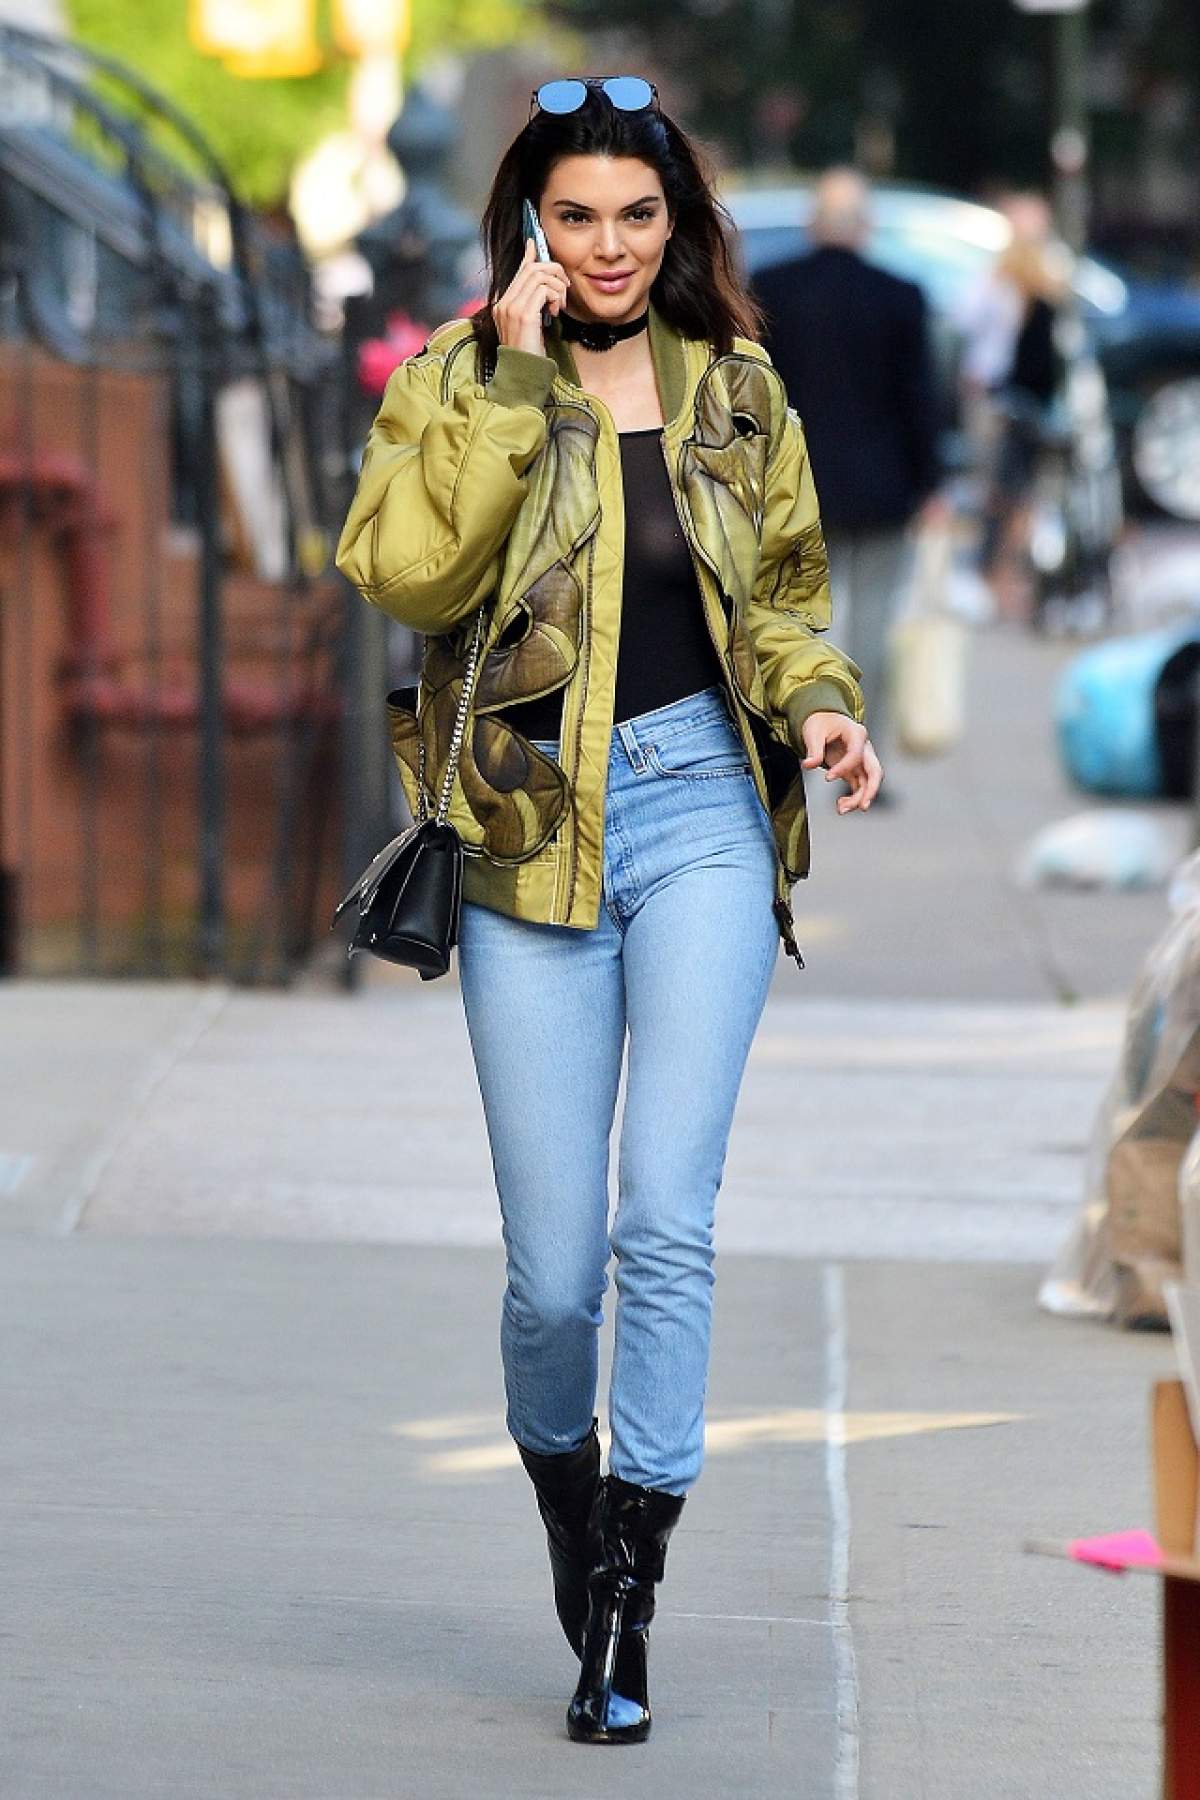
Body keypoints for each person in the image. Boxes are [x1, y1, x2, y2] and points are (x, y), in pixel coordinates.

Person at [336, 77, 881, 1746]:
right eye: (576, 217)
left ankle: (630, 1591)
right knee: (556, 1277)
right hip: (524, 837)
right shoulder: (456, 377)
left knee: (666, 1218)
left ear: (676, 224)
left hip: (704, 808)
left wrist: (823, 707)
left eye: (637, 216)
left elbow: (783, 599)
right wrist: (511, 383)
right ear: (529, 226)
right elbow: (409, 575)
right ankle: (568, 1502)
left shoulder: (738, 390)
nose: (609, 246)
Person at [753, 168, 941, 786]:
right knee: (875, 625)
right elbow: (921, 399)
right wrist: (931, 483)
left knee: (794, 622)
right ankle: (864, 750)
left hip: (794, 484)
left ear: (813, 223)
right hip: (884, 484)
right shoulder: (900, 295)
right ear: (865, 226)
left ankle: (801, 748)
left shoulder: (772, 288)